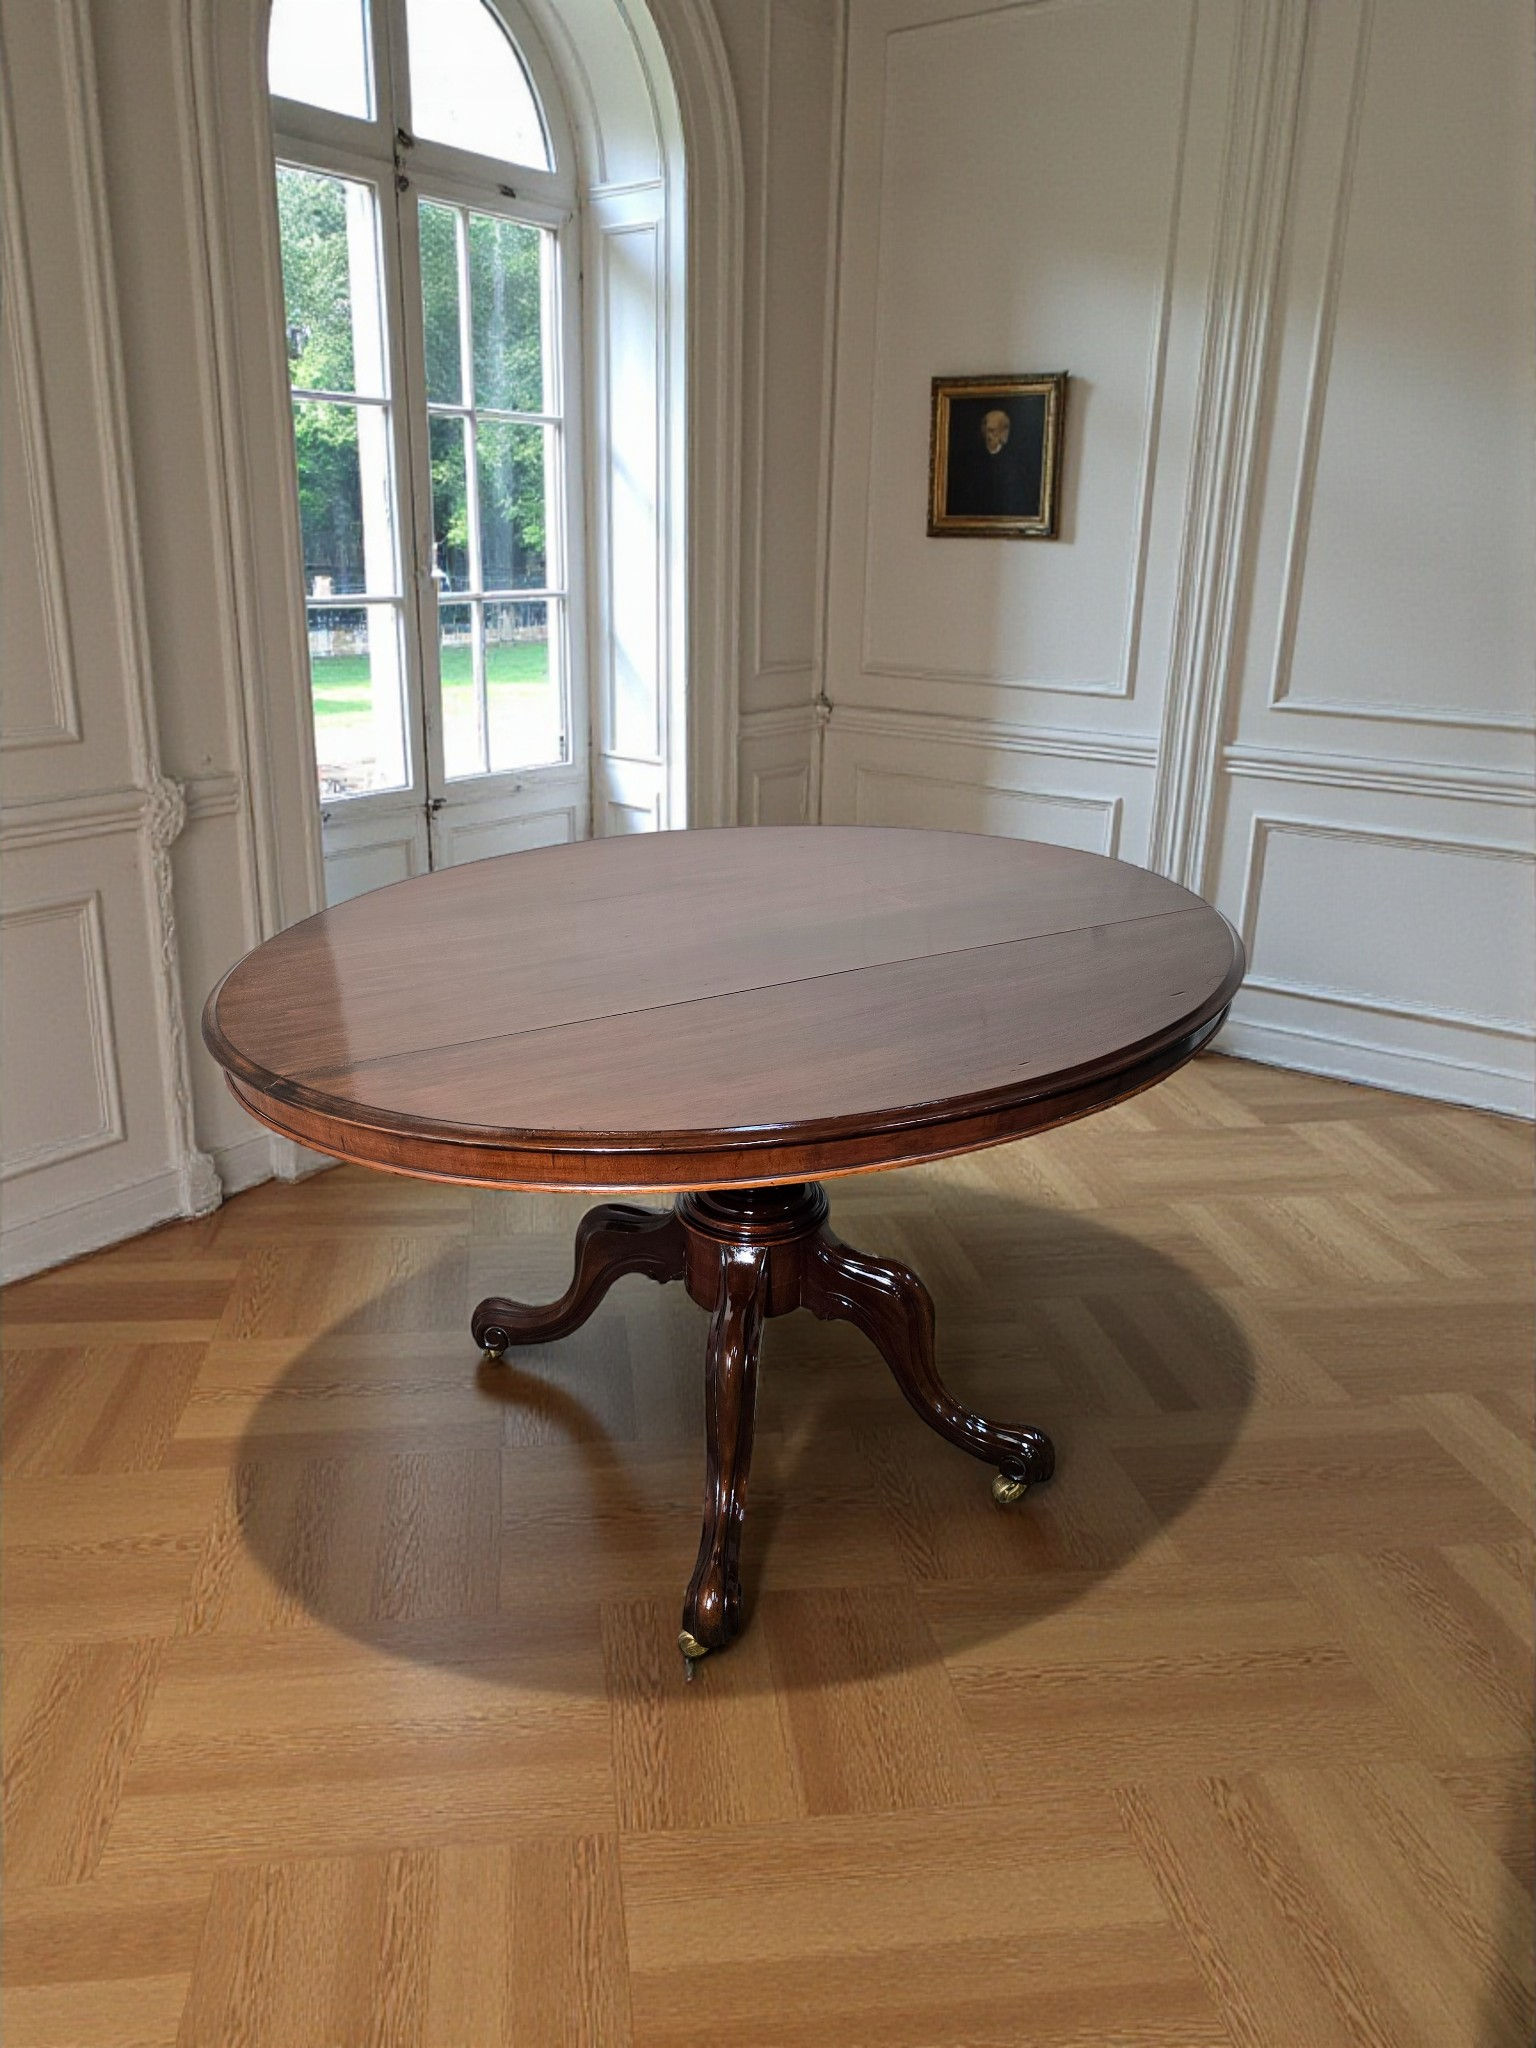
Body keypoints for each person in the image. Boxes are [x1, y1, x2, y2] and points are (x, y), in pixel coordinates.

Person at [945, 398, 1043, 520]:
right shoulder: (971, 460)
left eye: (992, 431)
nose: (988, 436)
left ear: (1003, 432)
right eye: (986, 431)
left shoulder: (1015, 464)